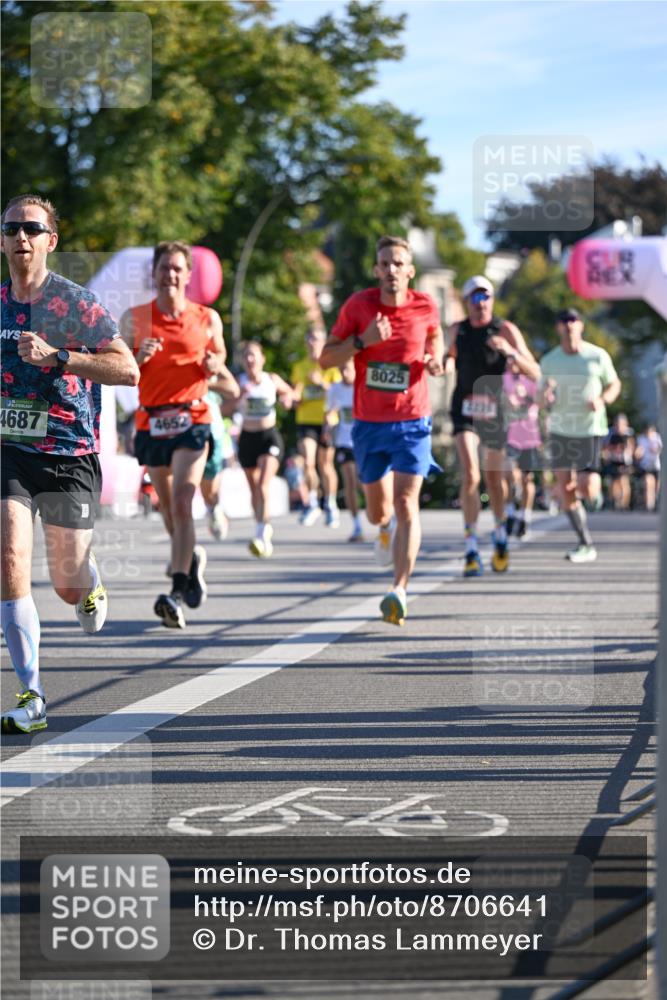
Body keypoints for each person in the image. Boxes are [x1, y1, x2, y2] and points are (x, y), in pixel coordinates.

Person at [1, 194, 139, 734]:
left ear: (51, 240)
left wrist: (60, 356)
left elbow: (127, 370)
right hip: (10, 448)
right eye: (12, 228)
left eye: (32, 228)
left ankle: (88, 579)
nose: (21, 236)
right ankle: (31, 694)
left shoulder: (75, 303)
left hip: (67, 452)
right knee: (9, 556)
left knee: (66, 584)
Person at [320, 234, 444, 626]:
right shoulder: (359, 306)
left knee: (407, 502)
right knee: (378, 512)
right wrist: (362, 341)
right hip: (369, 424)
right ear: (376, 270)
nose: (391, 270)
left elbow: (435, 333)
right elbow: (326, 358)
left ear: (410, 271)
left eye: (398, 263)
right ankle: (384, 530)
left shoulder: (425, 305)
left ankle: (399, 590)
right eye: (385, 263)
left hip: (413, 420)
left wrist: (436, 357)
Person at [120, 240, 229, 628]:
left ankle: (176, 592)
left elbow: (220, 355)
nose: (170, 274)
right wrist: (138, 358)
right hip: (152, 422)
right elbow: (119, 369)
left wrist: (214, 363)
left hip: (193, 418)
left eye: (177, 268)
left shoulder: (207, 317)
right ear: (154, 273)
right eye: (164, 267)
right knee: (168, 511)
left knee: (183, 502)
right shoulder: (135, 318)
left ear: (188, 275)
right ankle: (191, 558)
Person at [446, 276, 540, 577]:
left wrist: (509, 352)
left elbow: (535, 371)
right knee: (471, 474)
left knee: (494, 478)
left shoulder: (505, 329)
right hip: (464, 408)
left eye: (486, 297)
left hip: (495, 411)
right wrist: (441, 363)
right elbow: (445, 358)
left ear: (492, 300)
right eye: (475, 298)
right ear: (466, 302)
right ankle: (471, 546)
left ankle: (500, 533)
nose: (481, 303)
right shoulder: (457, 330)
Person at [540, 307, 621, 562]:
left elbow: (614, 384)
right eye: (564, 321)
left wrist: (603, 400)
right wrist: (545, 397)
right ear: (558, 327)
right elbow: (540, 397)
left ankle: (594, 495)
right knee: (565, 488)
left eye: (573, 320)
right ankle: (585, 543)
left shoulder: (597, 356)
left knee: (586, 487)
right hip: (561, 429)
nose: (569, 325)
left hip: (589, 429)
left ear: (581, 325)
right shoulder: (550, 360)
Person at [236, 340, 294, 557]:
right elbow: (225, 407)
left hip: (269, 437)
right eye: (246, 356)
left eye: (253, 355)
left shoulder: (271, 379)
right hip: (247, 438)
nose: (250, 359)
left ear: (262, 359)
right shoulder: (239, 382)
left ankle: (262, 534)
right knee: (254, 489)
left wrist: (286, 399)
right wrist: (239, 396)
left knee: (263, 484)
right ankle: (261, 524)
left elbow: (290, 394)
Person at [291, 329, 341, 527]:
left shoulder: (331, 366)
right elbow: (296, 394)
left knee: (326, 465)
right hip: (306, 419)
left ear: (324, 342)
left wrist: (321, 383)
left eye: (317, 339)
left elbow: (339, 395)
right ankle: (312, 502)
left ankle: (330, 503)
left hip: (327, 420)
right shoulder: (300, 367)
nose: (313, 343)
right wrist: (293, 399)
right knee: (308, 462)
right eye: (310, 339)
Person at [324, 357, 364, 542]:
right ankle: (356, 525)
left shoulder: (363, 387)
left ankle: (384, 517)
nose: (344, 373)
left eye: (347, 369)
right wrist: (328, 427)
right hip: (344, 441)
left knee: (364, 483)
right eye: (341, 370)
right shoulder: (335, 389)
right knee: (349, 480)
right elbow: (330, 412)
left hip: (363, 441)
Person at [502, 361, 543, 541]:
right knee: (508, 475)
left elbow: (543, 401)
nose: (512, 363)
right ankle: (510, 513)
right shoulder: (503, 378)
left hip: (529, 435)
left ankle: (525, 517)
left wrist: (525, 397)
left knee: (527, 480)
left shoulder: (532, 379)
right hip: (509, 435)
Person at [201, 371, 241, 539]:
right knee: (186, 484)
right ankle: (184, 543)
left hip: (214, 433)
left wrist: (203, 384)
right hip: (185, 431)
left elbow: (233, 391)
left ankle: (214, 508)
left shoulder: (213, 365)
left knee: (210, 485)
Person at [603, 412, 635, 510]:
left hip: (625, 461)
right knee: (614, 482)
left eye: (621, 424)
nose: (619, 427)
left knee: (623, 481)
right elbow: (605, 447)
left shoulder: (629, 433)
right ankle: (615, 502)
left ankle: (624, 504)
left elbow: (632, 447)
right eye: (617, 424)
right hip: (613, 460)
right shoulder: (610, 433)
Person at [634, 424, 661, 512]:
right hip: (645, 466)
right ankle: (649, 505)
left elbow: (660, 449)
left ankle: (656, 501)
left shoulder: (657, 438)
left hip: (656, 466)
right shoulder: (641, 439)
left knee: (657, 486)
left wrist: (656, 450)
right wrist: (638, 453)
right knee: (648, 483)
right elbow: (638, 452)